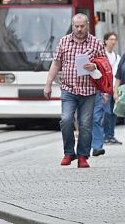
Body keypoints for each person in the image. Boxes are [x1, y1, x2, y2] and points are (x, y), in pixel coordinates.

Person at [44, 13, 104, 168]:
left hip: (89, 90)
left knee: (85, 124)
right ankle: (69, 152)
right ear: (72, 26)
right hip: (68, 89)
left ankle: (83, 156)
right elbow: (56, 64)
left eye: (82, 26)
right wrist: (48, 84)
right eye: (76, 26)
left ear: (87, 25)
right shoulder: (64, 41)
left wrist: (95, 66)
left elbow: (105, 66)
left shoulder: (96, 43)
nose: (79, 29)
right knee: (66, 120)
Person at [101, 32, 121, 146]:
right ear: (105, 41)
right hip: (105, 88)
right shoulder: (102, 55)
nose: (113, 41)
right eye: (111, 39)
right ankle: (105, 135)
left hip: (114, 88)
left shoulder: (116, 56)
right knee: (106, 112)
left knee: (114, 113)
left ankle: (111, 135)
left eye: (114, 39)